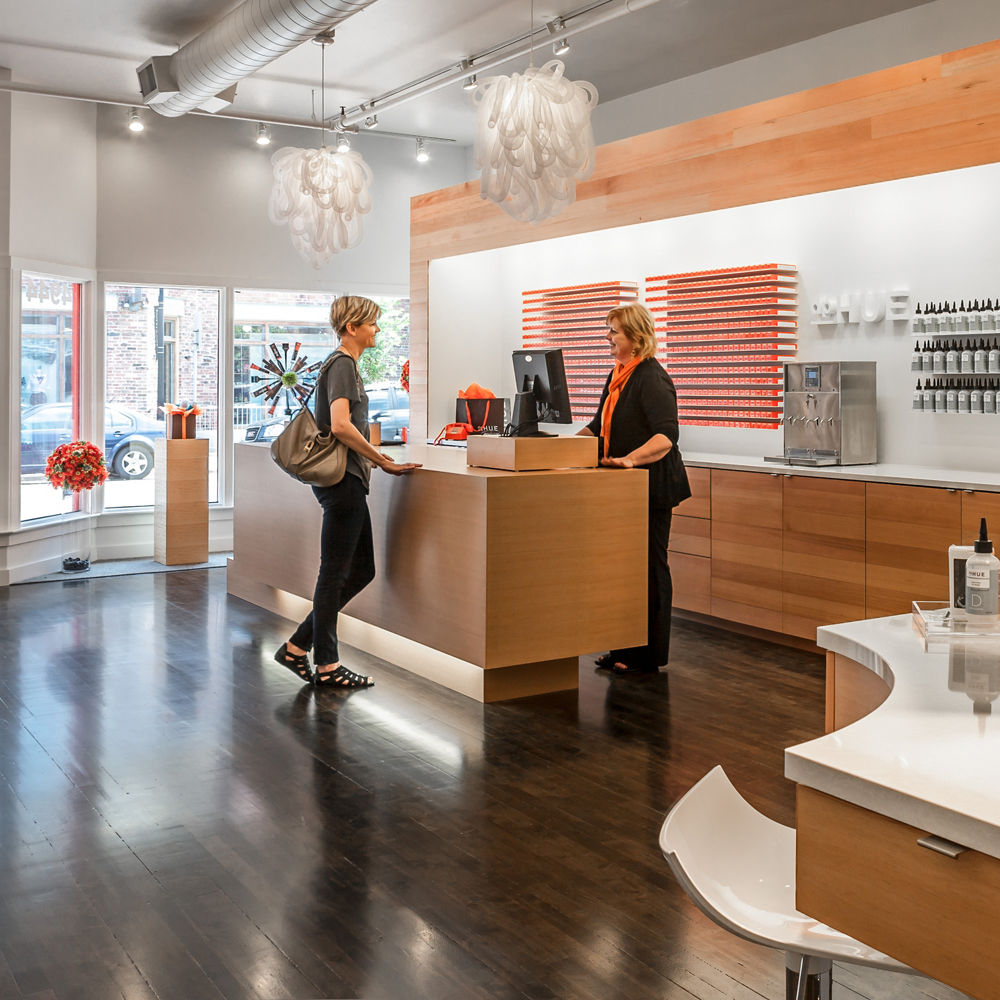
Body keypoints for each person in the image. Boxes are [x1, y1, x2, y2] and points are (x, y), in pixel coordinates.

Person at [274, 296, 420, 688]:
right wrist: (382, 460)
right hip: (343, 483)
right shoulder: (342, 364)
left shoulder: (344, 364)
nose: (377, 329)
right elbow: (340, 425)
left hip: (346, 482)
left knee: (360, 570)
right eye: (371, 323)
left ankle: (296, 648)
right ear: (351, 327)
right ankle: (327, 665)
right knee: (335, 574)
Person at [578, 303, 690, 675]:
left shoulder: (651, 377)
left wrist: (629, 460)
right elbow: (597, 426)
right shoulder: (618, 376)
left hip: (652, 487)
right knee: (623, 568)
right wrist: (559, 448)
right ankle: (623, 647)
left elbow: (666, 437)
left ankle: (648, 654)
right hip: (623, 491)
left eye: (614, 331)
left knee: (650, 568)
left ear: (636, 337)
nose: (607, 337)